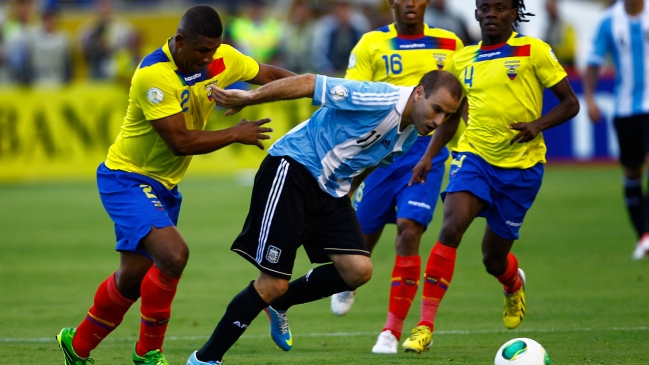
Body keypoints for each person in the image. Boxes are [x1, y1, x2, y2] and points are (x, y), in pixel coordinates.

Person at [55, 6, 296, 365]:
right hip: (127, 177)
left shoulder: (217, 59)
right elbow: (180, 142)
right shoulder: (154, 75)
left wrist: (318, 90)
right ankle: (148, 355)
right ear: (179, 41)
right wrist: (235, 133)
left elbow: (268, 73)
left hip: (164, 185)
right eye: (202, 51)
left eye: (214, 50)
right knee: (173, 255)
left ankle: (77, 345)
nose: (209, 58)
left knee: (132, 278)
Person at [185, 70, 464, 365]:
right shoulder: (380, 97)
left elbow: (368, 161)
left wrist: (349, 192)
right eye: (437, 109)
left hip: (330, 190)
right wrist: (252, 97)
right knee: (272, 283)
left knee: (358, 271)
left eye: (447, 116)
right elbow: (309, 83)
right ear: (419, 93)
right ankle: (204, 359)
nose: (438, 121)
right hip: (293, 168)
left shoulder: (408, 135)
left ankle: (280, 303)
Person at [402, 0, 580, 354]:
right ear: (477, 14)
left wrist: (537, 125)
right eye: (484, 8)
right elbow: (451, 117)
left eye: (500, 8)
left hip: (522, 169)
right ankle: (424, 326)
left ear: (513, 13)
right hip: (474, 158)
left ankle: (512, 283)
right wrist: (427, 157)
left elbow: (569, 103)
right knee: (451, 227)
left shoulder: (533, 50)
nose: (491, 14)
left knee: (492, 258)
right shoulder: (463, 59)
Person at [327, 0, 464, 355]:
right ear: (392, 3)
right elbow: (353, 99)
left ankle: (390, 331)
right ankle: (349, 283)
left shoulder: (450, 44)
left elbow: (458, 107)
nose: (410, 4)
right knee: (362, 242)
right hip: (382, 154)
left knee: (409, 229)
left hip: (425, 153)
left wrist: (437, 153)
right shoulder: (372, 44)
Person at [584, 0, 649, 260]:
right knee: (632, 172)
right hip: (625, 109)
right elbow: (593, 61)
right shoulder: (607, 21)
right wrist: (588, 98)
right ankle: (643, 236)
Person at [544, 0, 576, 69]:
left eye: (551, 8)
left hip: (565, 67)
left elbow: (570, 51)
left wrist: (553, 50)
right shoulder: (548, 27)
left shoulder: (566, 26)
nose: (549, 12)